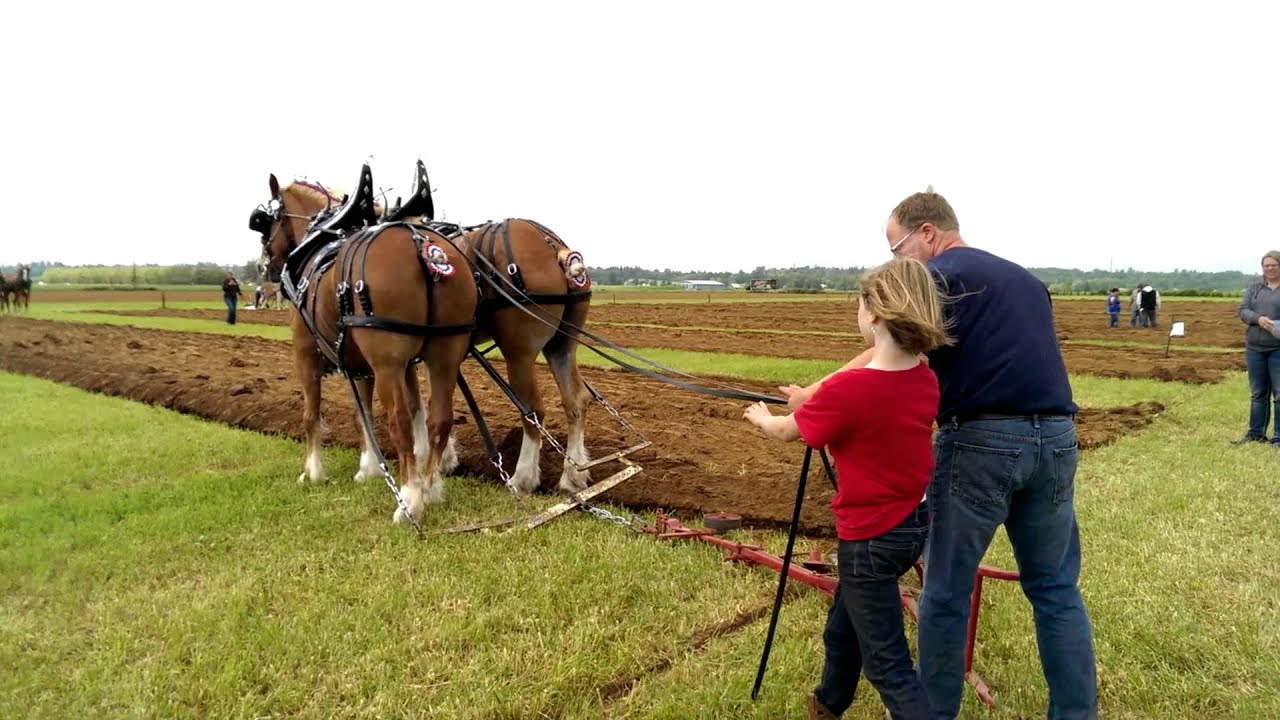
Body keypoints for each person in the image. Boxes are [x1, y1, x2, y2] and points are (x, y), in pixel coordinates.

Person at [877, 188, 1097, 719]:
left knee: (946, 594)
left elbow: (890, 348)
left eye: (896, 247)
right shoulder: (1025, 279)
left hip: (980, 441)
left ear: (927, 233)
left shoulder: (934, 276)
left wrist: (817, 397)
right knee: (1055, 588)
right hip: (1057, 438)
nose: (897, 262)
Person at [746, 257, 950, 720]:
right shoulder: (924, 377)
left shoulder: (850, 390)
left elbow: (789, 431)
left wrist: (762, 418)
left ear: (874, 314)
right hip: (910, 526)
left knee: (888, 666)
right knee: (843, 628)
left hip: (869, 538)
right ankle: (829, 703)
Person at [1235, 251, 1280, 444]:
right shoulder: (1255, 288)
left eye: (1273, 265)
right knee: (1258, 392)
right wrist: (1257, 319)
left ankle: (1278, 437)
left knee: (1279, 394)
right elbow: (1243, 310)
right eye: (1266, 266)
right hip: (1254, 348)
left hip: (1278, 348)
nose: (1269, 269)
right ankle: (1255, 434)